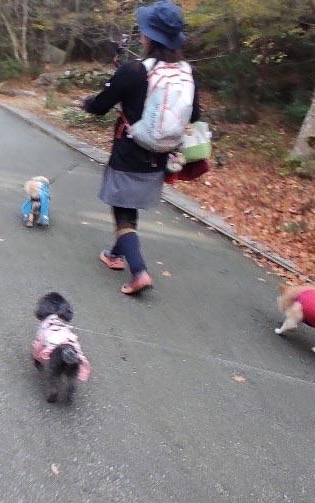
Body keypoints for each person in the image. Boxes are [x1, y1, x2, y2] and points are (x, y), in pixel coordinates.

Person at [84, 1, 199, 296]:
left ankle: (139, 272)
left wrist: (87, 103)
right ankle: (114, 253)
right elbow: (195, 114)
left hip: (129, 150)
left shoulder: (134, 70)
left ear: (148, 37)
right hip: (160, 156)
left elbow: (100, 105)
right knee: (129, 203)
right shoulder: (186, 73)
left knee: (123, 211)